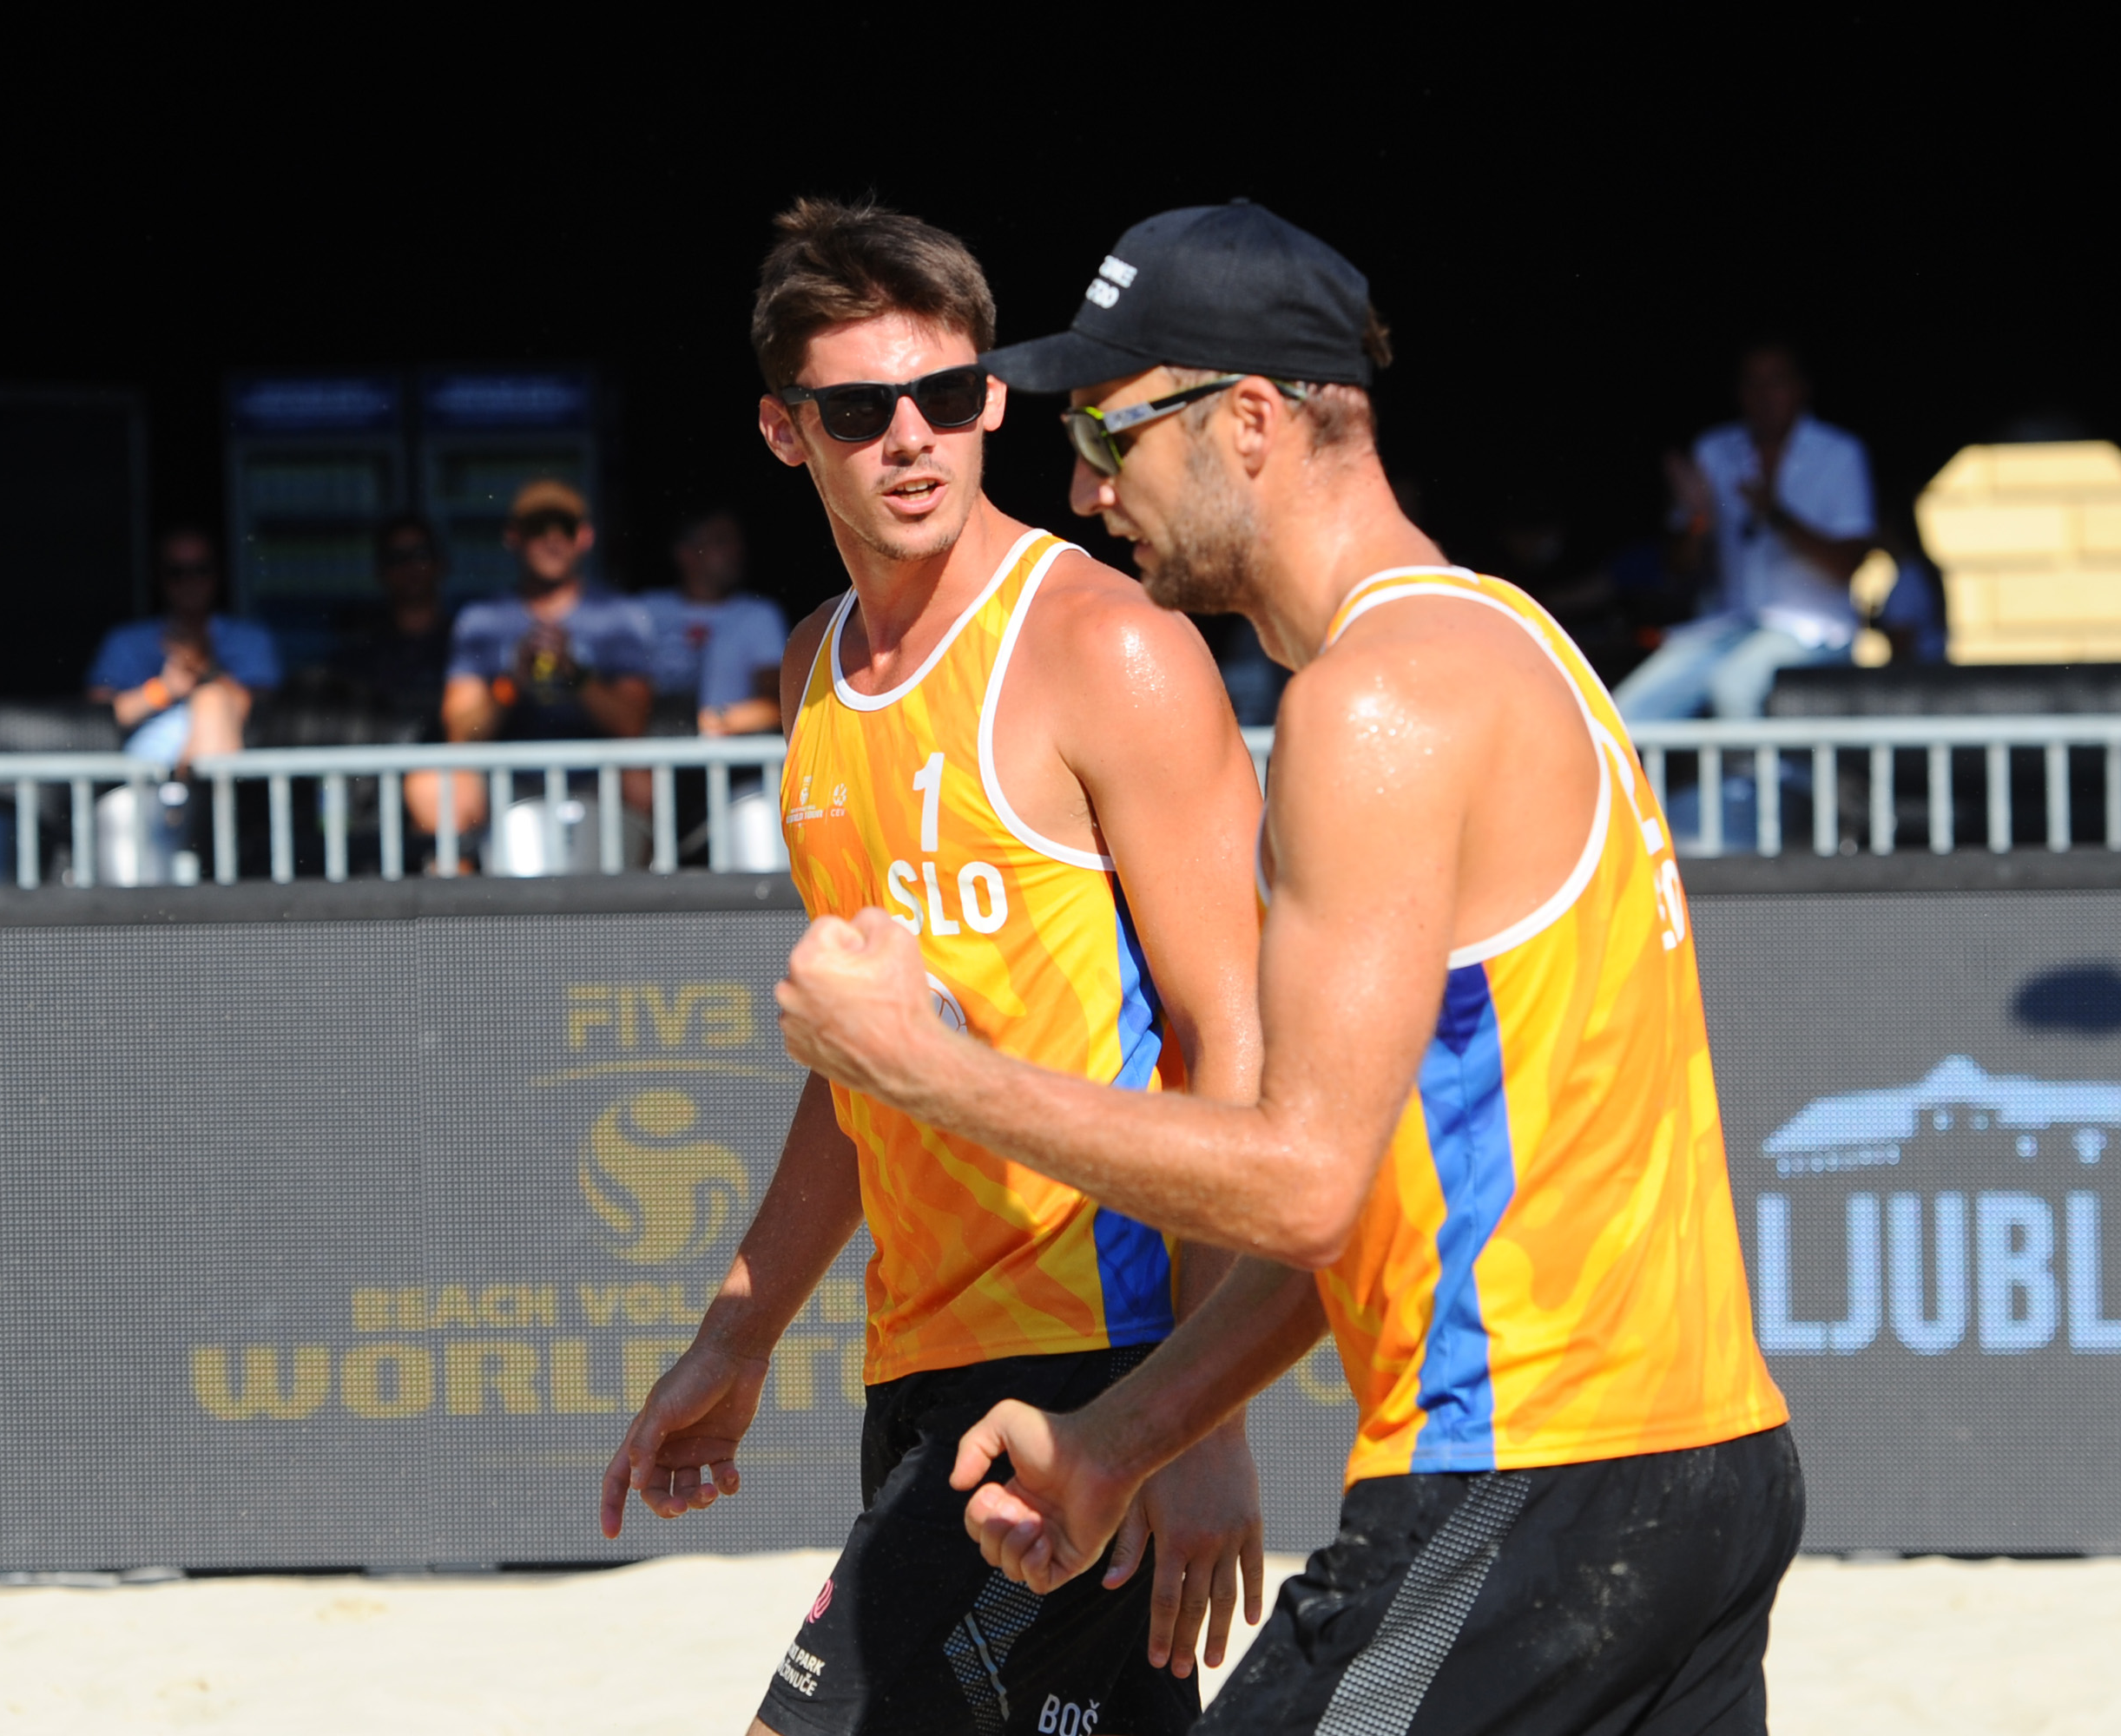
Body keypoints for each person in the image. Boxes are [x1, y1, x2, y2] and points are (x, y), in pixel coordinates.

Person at [775, 202, 1800, 1735]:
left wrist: (927, 1070)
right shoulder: (1509, 647)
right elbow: (1367, 1203)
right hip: (1704, 1462)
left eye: (1110, 432)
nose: (1085, 486)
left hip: (1521, 1474)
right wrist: (1126, 1438)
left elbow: (1301, 1185)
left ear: (1246, 421)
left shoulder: (1372, 704)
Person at [599, 196, 1269, 1736]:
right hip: (920, 1358)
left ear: (993, 402)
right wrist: (739, 1334)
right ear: (785, 432)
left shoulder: (1104, 644)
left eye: (949, 395)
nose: (912, 439)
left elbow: (1231, 1042)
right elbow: (869, 1073)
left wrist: (1198, 1421)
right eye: (859, 411)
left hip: (1090, 1365)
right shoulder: (813, 670)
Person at [1613, 341, 1878, 719]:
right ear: (1738, 393)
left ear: (1802, 388)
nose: (1764, 395)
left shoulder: (1839, 453)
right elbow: (1679, 569)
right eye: (1752, 383)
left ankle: (1755, 763)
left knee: (1734, 685)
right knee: (1628, 711)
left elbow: (1847, 566)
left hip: (1816, 630)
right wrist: (1697, 519)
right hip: (1730, 626)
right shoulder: (1715, 450)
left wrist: (1776, 514)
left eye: (1776, 381)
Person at [410, 477, 654, 839]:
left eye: (564, 528)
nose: (552, 540)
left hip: (595, 775)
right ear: (513, 537)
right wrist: (513, 680)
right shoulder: (482, 620)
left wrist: (575, 672)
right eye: (538, 529)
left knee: (641, 778)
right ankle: (460, 872)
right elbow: (462, 732)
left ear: (585, 537)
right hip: (506, 777)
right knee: (433, 783)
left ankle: (643, 876)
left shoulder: (619, 615)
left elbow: (631, 725)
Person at [85, 525, 281, 767]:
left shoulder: (250, 638)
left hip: (220, 754)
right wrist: (164, 688)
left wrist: (205, 670)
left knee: (211, 699)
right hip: (142, 769)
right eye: (176, 572)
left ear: (218, 575)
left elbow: (263, 713)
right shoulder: (125, 641)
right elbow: (95, 718)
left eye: (201, 570)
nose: (190, 582)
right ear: (159, 577)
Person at [642, 509, 789, 737]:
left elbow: (779, 703)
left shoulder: (759, 615)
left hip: (733, 756)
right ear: (685, 553)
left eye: (736, 542)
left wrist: (710, 720)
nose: (736, 550)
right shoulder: (645, 609)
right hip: (652, 753)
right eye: (721, 541)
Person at [323, 512, 453, 732]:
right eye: (397, 558)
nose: (410, 566)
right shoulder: (358, 655)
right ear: (380, 571)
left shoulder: (465, 645)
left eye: (420, 554)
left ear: (441, 564)